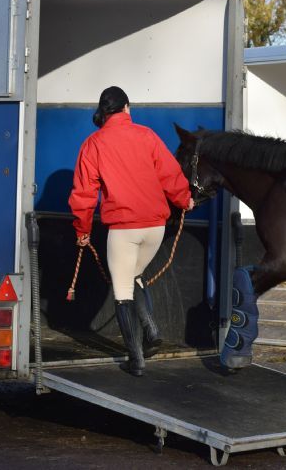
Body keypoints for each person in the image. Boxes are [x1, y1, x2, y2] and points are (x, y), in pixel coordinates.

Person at [68, 86, 194, 376]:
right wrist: (184, 198)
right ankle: (151, 331)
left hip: (124, 230)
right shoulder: (147, 135)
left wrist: (82, 230)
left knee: (122, 290)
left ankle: (136, 358)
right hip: (156, 227)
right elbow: (170, 173)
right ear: (126, 108)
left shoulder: (93, 143)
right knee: (135, 276)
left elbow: (84, 193)